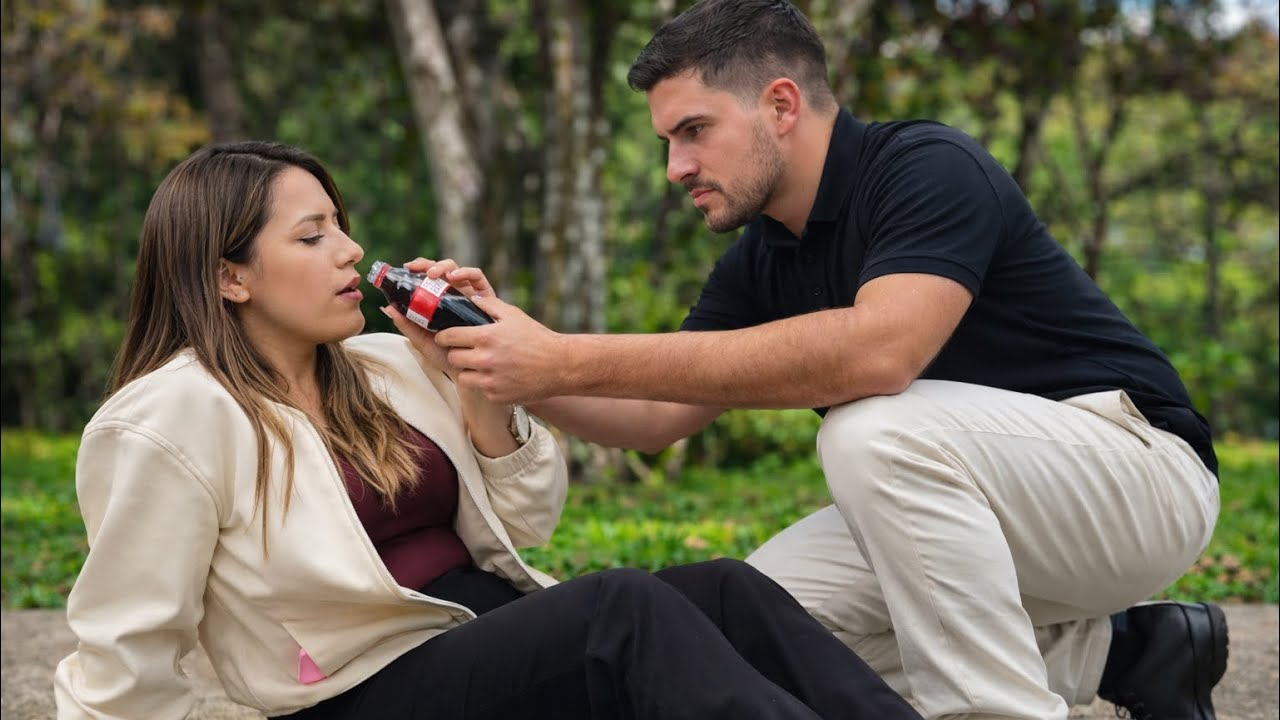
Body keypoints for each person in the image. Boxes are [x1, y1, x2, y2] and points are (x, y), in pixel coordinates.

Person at [425, 1, 1227, 718]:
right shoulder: (764, 255)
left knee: (869, 427)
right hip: (997, 512)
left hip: (1139, 475)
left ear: (780, 104)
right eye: (667, 141)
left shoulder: (926, 168)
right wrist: (502, 351)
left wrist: (565, 359)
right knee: (743, 625)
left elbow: (882, 353)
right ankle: (1134, 651)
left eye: (694, 131)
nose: (676, 168)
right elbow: (651, 419)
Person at [52, 140, 923, 720]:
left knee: (726, 588)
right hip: (358, 694)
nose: (351, 251)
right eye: (314, 235)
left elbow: (527, 529)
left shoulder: (387, 366)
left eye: (341, 227)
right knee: (617, 610)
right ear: (230, 277)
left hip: (477, 645)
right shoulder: (170, 418)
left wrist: (477, 385)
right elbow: (128, 642)